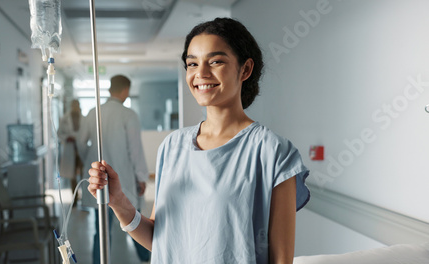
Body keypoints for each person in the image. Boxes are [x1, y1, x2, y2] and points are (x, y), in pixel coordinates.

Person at [88, 18, 310, 264]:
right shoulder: (172, 146)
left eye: (215, 61)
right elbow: (159, 240)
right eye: (192, 64)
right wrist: (118, 201)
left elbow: (281, 259)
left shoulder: (272, 152)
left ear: (245, 69)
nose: (200, 74)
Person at [78, 75, 150, 263]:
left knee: (101, 230)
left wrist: (89, 159)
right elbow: (135, 150)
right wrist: (141, 177)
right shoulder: (128, 115)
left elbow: (80, 142)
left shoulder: (93, 112)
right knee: (134, 222)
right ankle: (146, 258)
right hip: (124, 179)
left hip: (99, 181)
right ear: (125, 90)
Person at [57, 99, 84, 201]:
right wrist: (67, 137)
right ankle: (75, 198)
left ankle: (84, 197)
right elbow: (60, 133)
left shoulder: (83, 118)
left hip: (81, 150)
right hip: (70, 149)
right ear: (71, 106)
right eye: (74, 105)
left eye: (77, 105)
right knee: (72, 177)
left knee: (83, 174)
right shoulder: (65, 118)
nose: (75, 107)